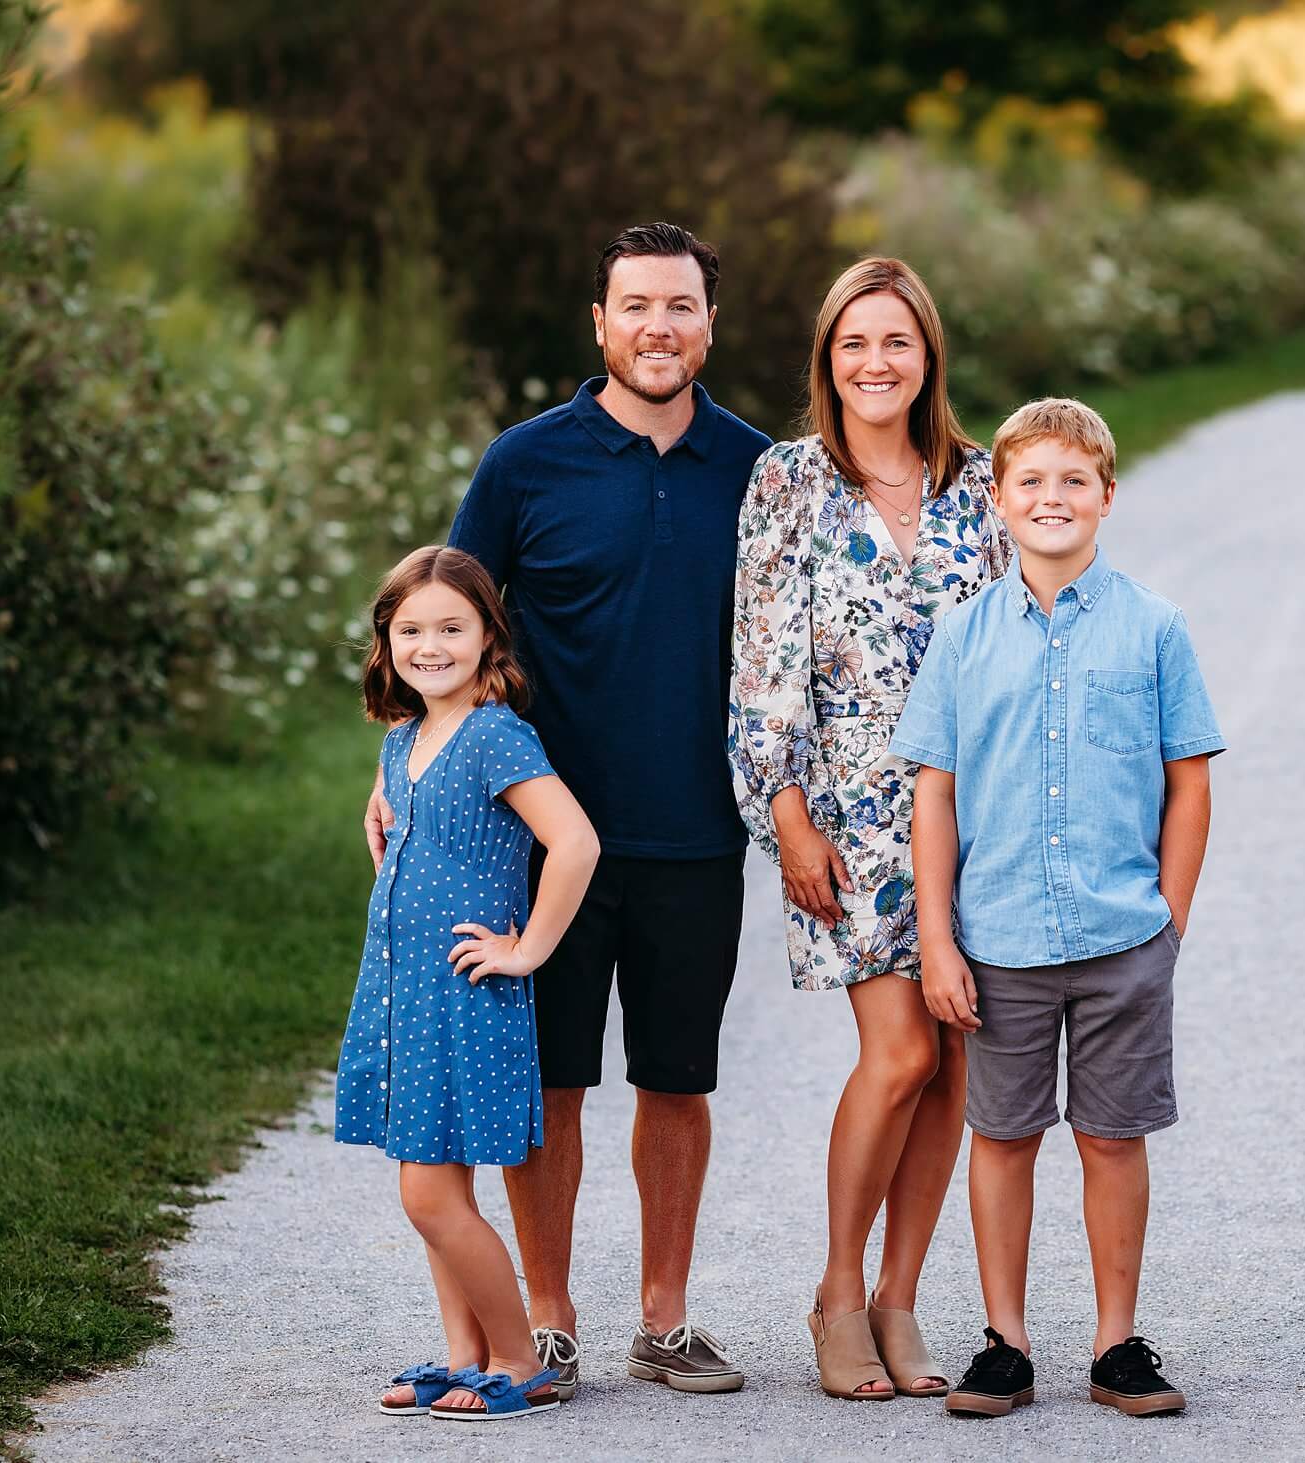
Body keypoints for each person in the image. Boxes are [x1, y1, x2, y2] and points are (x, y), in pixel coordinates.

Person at [367, 223, 768, 1396]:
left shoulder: (758, 468)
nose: (659, 326)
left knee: (676, 1079)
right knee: (550, 1085)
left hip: (697, 826)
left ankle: (664, 1315)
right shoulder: (524, 462)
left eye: (681, 306)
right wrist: (395, 769)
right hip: (535, 842)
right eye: (635, 305)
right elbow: (440, 627)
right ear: (597, 323)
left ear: (709, 323)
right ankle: (545, 1319)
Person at [889, 398, 1226, 1420]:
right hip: (998, 940)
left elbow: (1189, 782)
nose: (1050, 498)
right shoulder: (962, 635)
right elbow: (935, 792)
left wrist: (1165, 920)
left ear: (1106, 496)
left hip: (1122, 935)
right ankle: (1004, 1340)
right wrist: (937, 937)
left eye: (1072, 480)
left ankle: (1115, 1341)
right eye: (1029, 481)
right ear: (996, 500)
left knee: (1113, 1137)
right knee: (1001, 1135)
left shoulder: (1153, 626)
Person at [730, 257, 1009, 1401]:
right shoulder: (786, 481)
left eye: (895, 342)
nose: (873, 363)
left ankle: (901, 1299)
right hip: (845, 814)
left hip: (974, 812)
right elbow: (759, 667)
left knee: (952, 1058)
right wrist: (787, 818)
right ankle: (836, 1296)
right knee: (895, 1052)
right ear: (826, 359)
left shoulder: (980, 481)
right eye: (853, 343)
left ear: (926, 355)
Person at [338, 545, 601, 1422]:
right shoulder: (405, 738)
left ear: (489, 634)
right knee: (436, 1187)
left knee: (429, 1193)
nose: (430, 644)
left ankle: (520, 1359)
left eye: (452, 627)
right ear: (387, 641)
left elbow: (575, 842)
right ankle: (464, 1357)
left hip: (463, 992)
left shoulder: (495, 734)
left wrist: (525, 950)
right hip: (404, 989)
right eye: (411, 629)